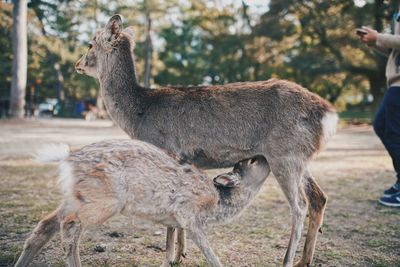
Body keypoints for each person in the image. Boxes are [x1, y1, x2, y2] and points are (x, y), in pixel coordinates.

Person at [359, 5, 400, 207]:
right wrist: (374, 43)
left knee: (391, 131)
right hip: (395, 82)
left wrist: (379, 37)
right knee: (383, 127)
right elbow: (395, 52)